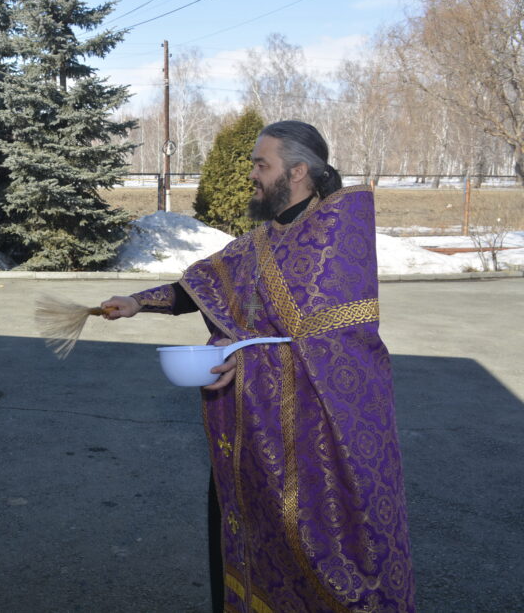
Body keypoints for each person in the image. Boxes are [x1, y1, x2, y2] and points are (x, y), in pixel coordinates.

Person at [101, 121, 415, 612]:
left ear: (298, 170)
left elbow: (327, 344)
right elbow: (204, 284)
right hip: (250, 427)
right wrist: (139, 302)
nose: (251, 173)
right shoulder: (262, 240)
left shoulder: (334, 232)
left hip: (316, 437)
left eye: (260, 164)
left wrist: (240, 354)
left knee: (321, 551)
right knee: (248, 533)